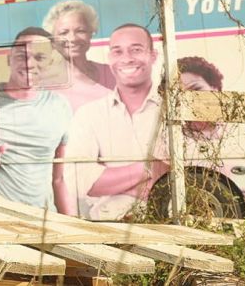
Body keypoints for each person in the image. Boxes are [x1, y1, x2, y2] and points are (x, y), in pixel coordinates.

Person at [0, 27, 73, 212]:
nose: (29, 63)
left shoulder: (60, 106)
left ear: (50, 63)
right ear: (8, 59)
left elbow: (58, 179)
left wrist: (72, 228)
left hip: (44, 223)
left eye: (39, 57)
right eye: (21, 55)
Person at [64, 23, 169, 219]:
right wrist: (147, 169)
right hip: (108, 226)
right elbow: (77, 181)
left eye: (136, 50)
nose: (127, 59)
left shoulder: (173, 111)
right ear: (110, 58)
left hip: (166, 221)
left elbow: (187, 173)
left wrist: (112, 184)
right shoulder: (89, 114)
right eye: (117, 51)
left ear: (153, 56)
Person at [179, 56, 245, 219]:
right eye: (181, 95)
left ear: (215, 87)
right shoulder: (170, 143)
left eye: (196, 90)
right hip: (197, 233)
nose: (191, 99)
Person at [42, 0, 117, 111]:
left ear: (91, 33)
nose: (73, 38)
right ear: (52, 41)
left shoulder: (113, 73)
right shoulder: (45, 85)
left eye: (80, 31)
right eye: (64, 32)